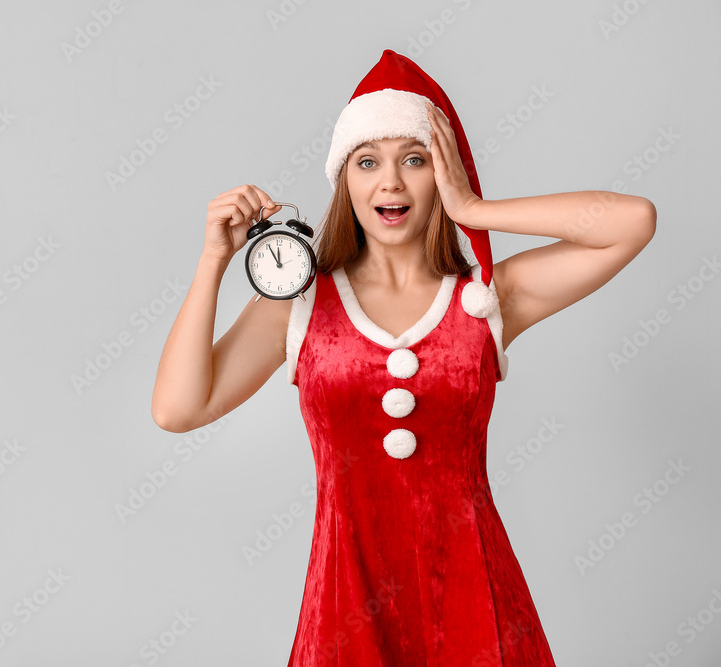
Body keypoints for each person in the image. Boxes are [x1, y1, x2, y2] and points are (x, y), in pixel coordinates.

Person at [151, 49, 655, 665]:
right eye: (368, 162)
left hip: (476, 597)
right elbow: (177, 409)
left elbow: (632, 221)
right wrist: (213, 262)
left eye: (413, 160)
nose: (389, 182)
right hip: (345, 603)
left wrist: (474, 210)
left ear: (440, 173)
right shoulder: (300, 304)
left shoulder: (487, 298)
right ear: (346, 182)